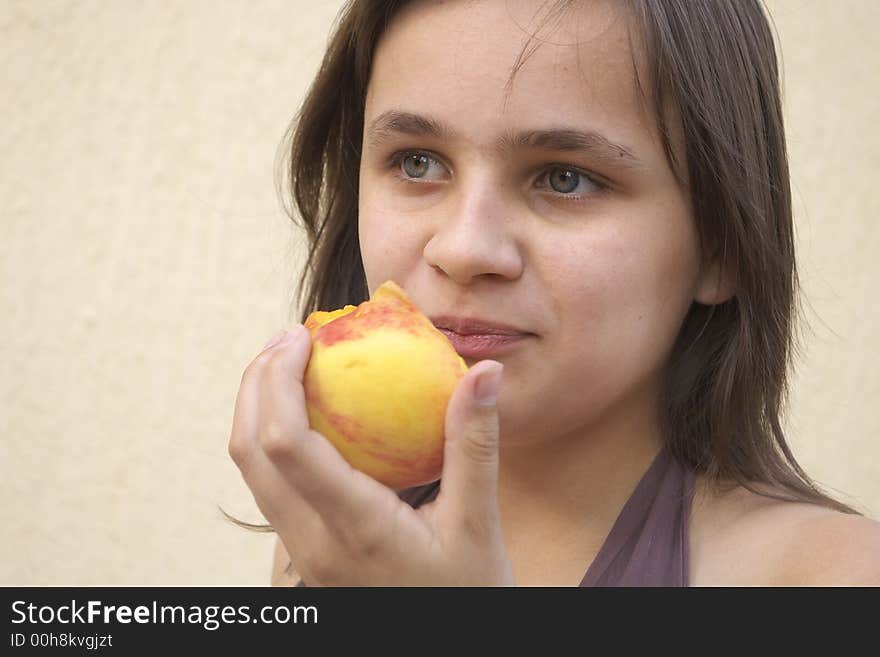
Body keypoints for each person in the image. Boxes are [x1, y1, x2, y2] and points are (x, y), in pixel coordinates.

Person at [227, 0, 880, 586]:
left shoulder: (830, 577)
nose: (463, 247)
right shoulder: (336, 551)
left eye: (565, 178)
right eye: (416, 162)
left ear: (720, 244)